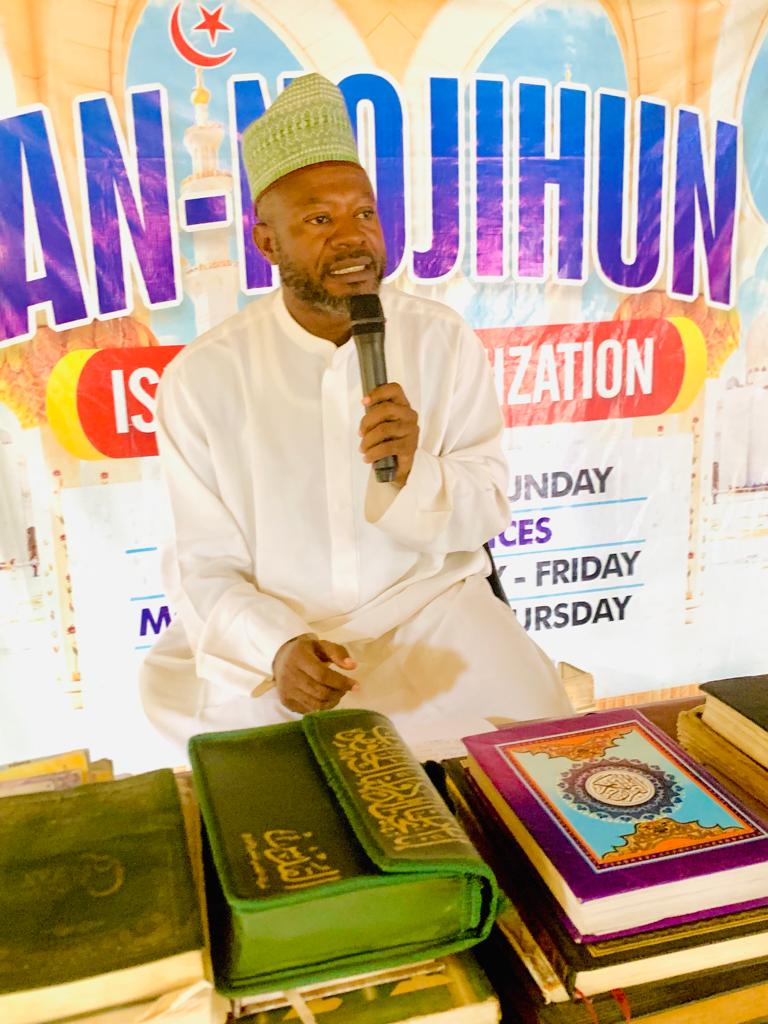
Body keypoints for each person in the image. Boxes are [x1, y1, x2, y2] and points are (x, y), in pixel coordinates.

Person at [140, 73, 572, 751]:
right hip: (284, 635)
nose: (352, 239)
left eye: (363, 214)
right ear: (266, 242)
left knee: (539, 731)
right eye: (320, 220)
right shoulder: (202, 378)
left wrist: (415, 472)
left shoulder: (440, 340)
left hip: (430, 616)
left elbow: (485, 509)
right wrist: (276, 647)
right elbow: (203, 563)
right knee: (228, 751)